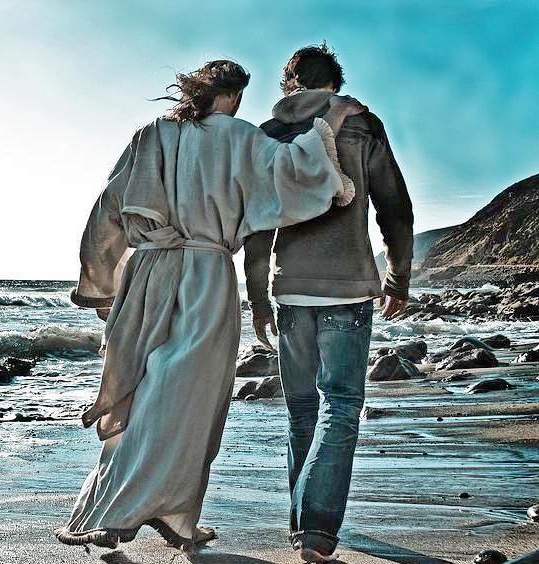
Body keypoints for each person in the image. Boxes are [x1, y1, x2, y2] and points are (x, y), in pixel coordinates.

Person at [54, 59, 366, 552]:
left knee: (143, 390)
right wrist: (334, 118)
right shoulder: (239, 136)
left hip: (147, 273)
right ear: (235, 95)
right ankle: (126, 513)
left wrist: (102, 286)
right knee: (193, 399)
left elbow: (107, 208)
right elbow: (297, 171)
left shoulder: (151, 134)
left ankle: (172, 518)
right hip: (206, 275)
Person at [243, 44, 414, 562]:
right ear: (335, 82)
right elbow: (394, 205)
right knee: (340, 406)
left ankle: (305, 526)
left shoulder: (269, 133)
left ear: (288, 82)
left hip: (290, 287)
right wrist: (398, 277)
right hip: (350, 284)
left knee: (302, 410)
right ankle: (315, 532)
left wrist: (258, 296)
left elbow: (258, 220)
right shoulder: (361, 123)